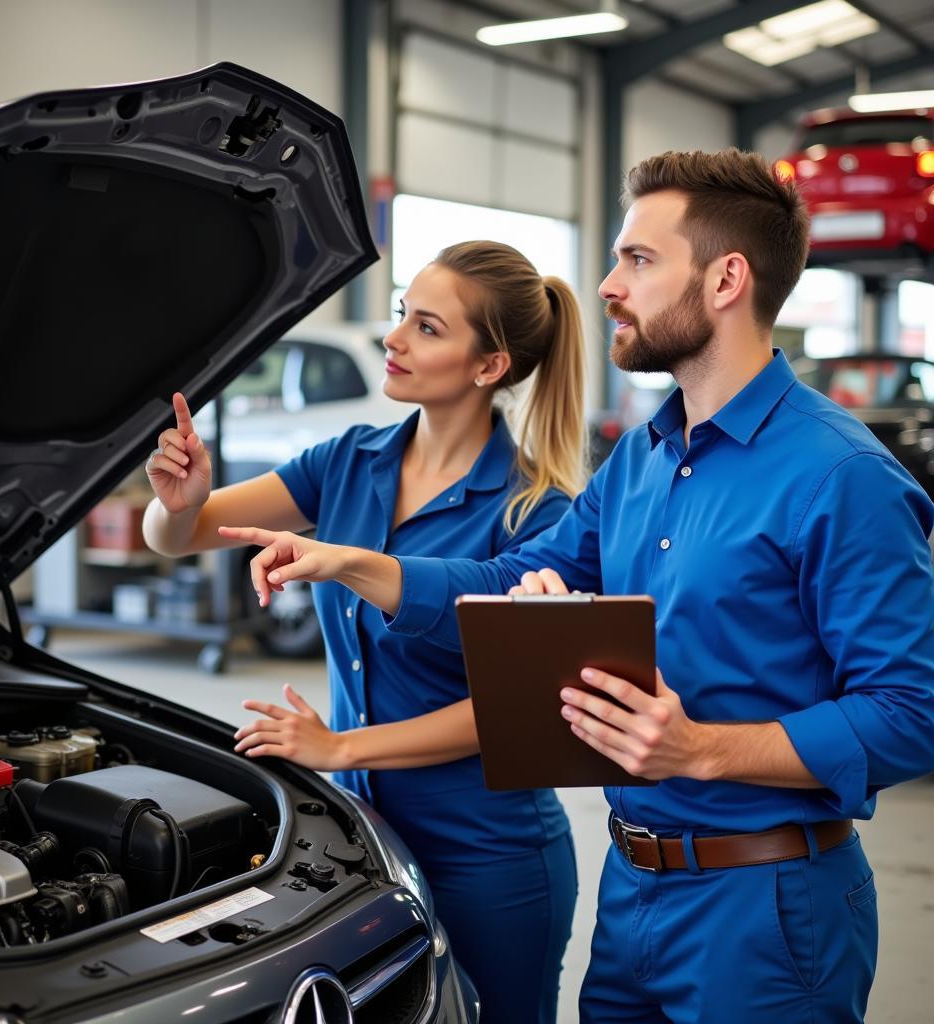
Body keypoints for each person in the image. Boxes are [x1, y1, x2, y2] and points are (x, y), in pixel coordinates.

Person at [233, 149, 934, 1024]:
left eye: (638, 261)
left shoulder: (841, 476)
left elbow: (912, 710)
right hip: (633, 889)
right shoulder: (640, 460)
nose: (607, 286)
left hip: (768, 908)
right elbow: (513, 579)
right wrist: (348, 561)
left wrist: (704, 750)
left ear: (725, 280)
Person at [142, 240, 588, 1023]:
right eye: (399, 316)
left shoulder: (535, 513)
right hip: (363, 842)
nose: (395, 339)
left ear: (488, 367)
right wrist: (178, 500)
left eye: (426, 326)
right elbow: (181, 536)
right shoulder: (348, 461)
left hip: (491, 856)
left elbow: (514, 711)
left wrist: (343, 749)